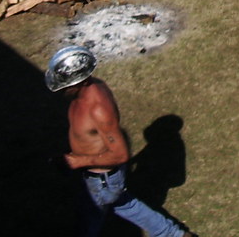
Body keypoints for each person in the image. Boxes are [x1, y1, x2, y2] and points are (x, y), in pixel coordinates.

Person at [45, 46, 194, 237]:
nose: (62, 91)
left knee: (89, 219)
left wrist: (77, 161)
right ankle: (174, 234)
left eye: (66, 86)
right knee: (123, 203)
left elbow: (120, 154)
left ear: (82, 81)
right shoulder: (88, 89)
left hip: (101, 180)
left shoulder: (98, 109)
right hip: (106, 181)